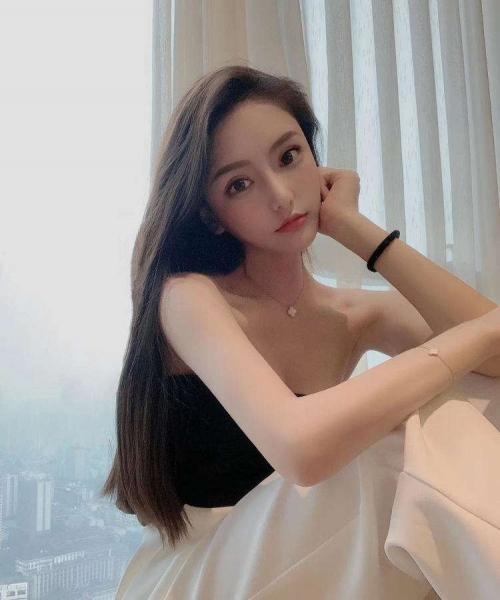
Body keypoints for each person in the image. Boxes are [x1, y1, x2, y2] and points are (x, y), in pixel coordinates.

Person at [101, 65, 498, 599]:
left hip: (309, 566)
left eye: (289, 157)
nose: (281, 196)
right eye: (239, 184)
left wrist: (356, 229)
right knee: (391, 453)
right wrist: (472, 339)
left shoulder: (350, 314)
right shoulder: (189, 297)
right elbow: (301, 450)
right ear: (212, 215)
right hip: (202, 574)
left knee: (476, 403)